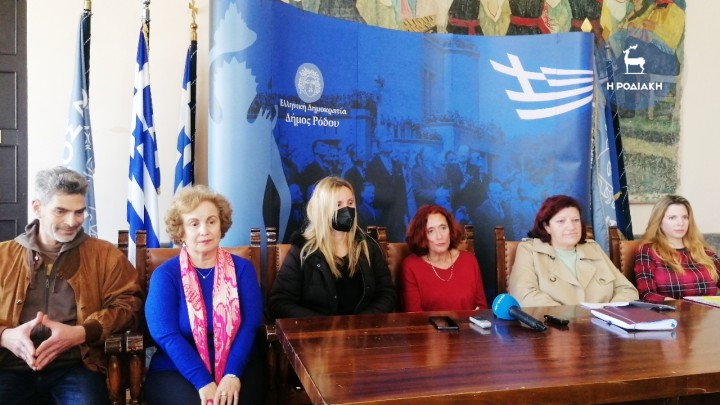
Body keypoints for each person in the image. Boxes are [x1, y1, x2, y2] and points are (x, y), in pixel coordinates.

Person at [0, 166, 142, 404]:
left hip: (77, 365)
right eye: (61, 211)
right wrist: (4, 336)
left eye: (79, 212)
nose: (72, 221)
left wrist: (81, 333)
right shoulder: (4, 256)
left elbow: (129, 306)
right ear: (37, 208)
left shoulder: (106, 255)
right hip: (8, 366)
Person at [144, 185, 264, 405]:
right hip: (177, 368)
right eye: (194, 224)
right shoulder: (165, 276)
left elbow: (250, 324)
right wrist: (203, 381)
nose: (204, 230)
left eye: (211, 221)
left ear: (221, 225)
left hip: (238, 365)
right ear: (181, 231)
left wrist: (232, 374)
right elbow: (166, 334)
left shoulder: (242, 269)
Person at [269, 177, 396, 318]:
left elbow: (387, 294)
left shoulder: (368, 246)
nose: (346, 209)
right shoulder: (302, 250)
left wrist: (360, 322)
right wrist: (326, 325)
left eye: (350, 203)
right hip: (318, 331)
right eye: (338, 204)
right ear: (323, 209)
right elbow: (280, 302)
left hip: (363, 330)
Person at [508, 195, 638, 307]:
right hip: (554, 325)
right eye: (561, 221)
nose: (571, 227)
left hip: (603, 324)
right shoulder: (529, 250)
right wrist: (569, 318)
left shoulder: (593, 248)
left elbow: (627, 289)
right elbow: (524, 295)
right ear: (547, 227)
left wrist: (610, 313)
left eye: (576, 220)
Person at [401, 205, 488, 312]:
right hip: (428, 324)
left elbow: (482, 309)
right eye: (431, 231)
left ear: (450, 230)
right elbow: (415, 317)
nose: (439, 236)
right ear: (421, 235)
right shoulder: (411, 266)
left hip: (469, 323)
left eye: (443, 228)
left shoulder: (469, 260)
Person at [634, 195, 720, 303]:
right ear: (659, 221)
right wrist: (680, 306)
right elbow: (647, 294)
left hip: (709, 311)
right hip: (672, 311)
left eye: (685, 217)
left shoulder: (704, 251)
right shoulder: (648, 251)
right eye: (672, 218)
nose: (680, 223)